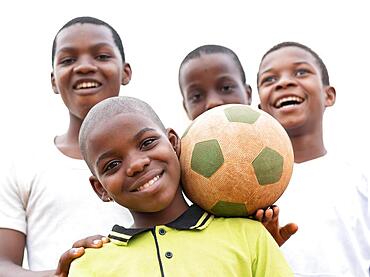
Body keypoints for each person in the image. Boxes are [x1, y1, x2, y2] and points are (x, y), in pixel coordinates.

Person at [68, 95, 293, 276]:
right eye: (113, 164)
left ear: (174, 143)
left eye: (147, 143)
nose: (136, 164)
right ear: (100, 189)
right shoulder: (89, 266)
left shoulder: (249, 236)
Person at [0, 16, 133, 276]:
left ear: (126, 72)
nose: (84, 67)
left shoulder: (157, 159)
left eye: (102, 56)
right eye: (68, 60)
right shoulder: (23, 166)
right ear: (53, 80)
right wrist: (62, 274)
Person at [257, 41, 370, 276]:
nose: (284, 82)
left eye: (301, 72)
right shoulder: (253, 188)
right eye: (269, 79)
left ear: (328, 95)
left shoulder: (361, 178)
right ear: (260, 107)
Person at [179, 44, 298, 246]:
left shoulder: (281, 153)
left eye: (226, 88)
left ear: (248, 93)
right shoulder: (179, 167)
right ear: (185, 107)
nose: (213, 102)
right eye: (196, 96)